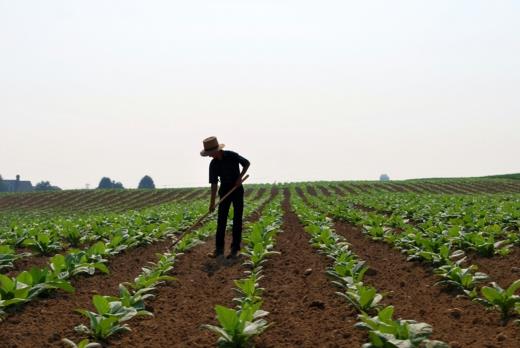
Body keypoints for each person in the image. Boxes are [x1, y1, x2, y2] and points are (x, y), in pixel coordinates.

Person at [200, 136, 250, 259]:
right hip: (224, 191)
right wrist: (212, 203)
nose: (210, 156)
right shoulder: (213, 164)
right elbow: (214, 185)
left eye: (211, 153)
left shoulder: (232, 156)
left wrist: (240, 178)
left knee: (237, 219)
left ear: (217, 150)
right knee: (221, 220)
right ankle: (219, 250)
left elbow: (246, 163)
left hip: (237, 189)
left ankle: (235, 249)